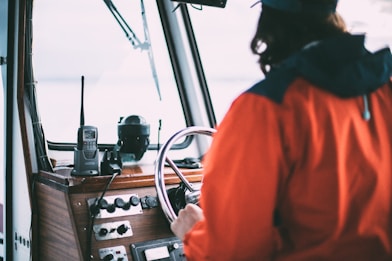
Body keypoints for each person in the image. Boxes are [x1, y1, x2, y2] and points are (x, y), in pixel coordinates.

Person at [171, 0, 392, 260]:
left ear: (268, 25)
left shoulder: (264, 109)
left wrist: (194, 231)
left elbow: (232, 252)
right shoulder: (384, 91)